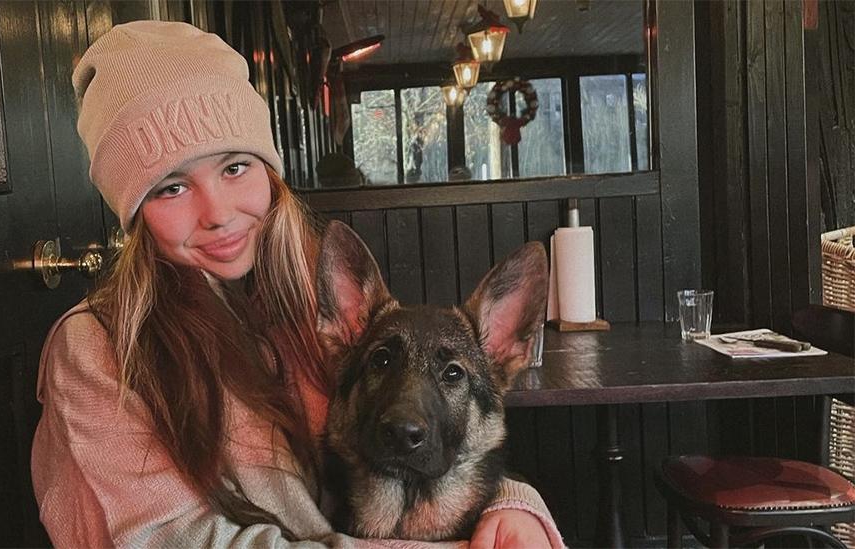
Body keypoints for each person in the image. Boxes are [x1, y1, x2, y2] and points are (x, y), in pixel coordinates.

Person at [31, 20, 565, 549]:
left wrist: (511, 505)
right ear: (133, 211)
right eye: (171, 188)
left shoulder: (309, 298)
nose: (216, 212)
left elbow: (380, 461)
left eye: (235, 166)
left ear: (269, 172)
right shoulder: (100, 347)